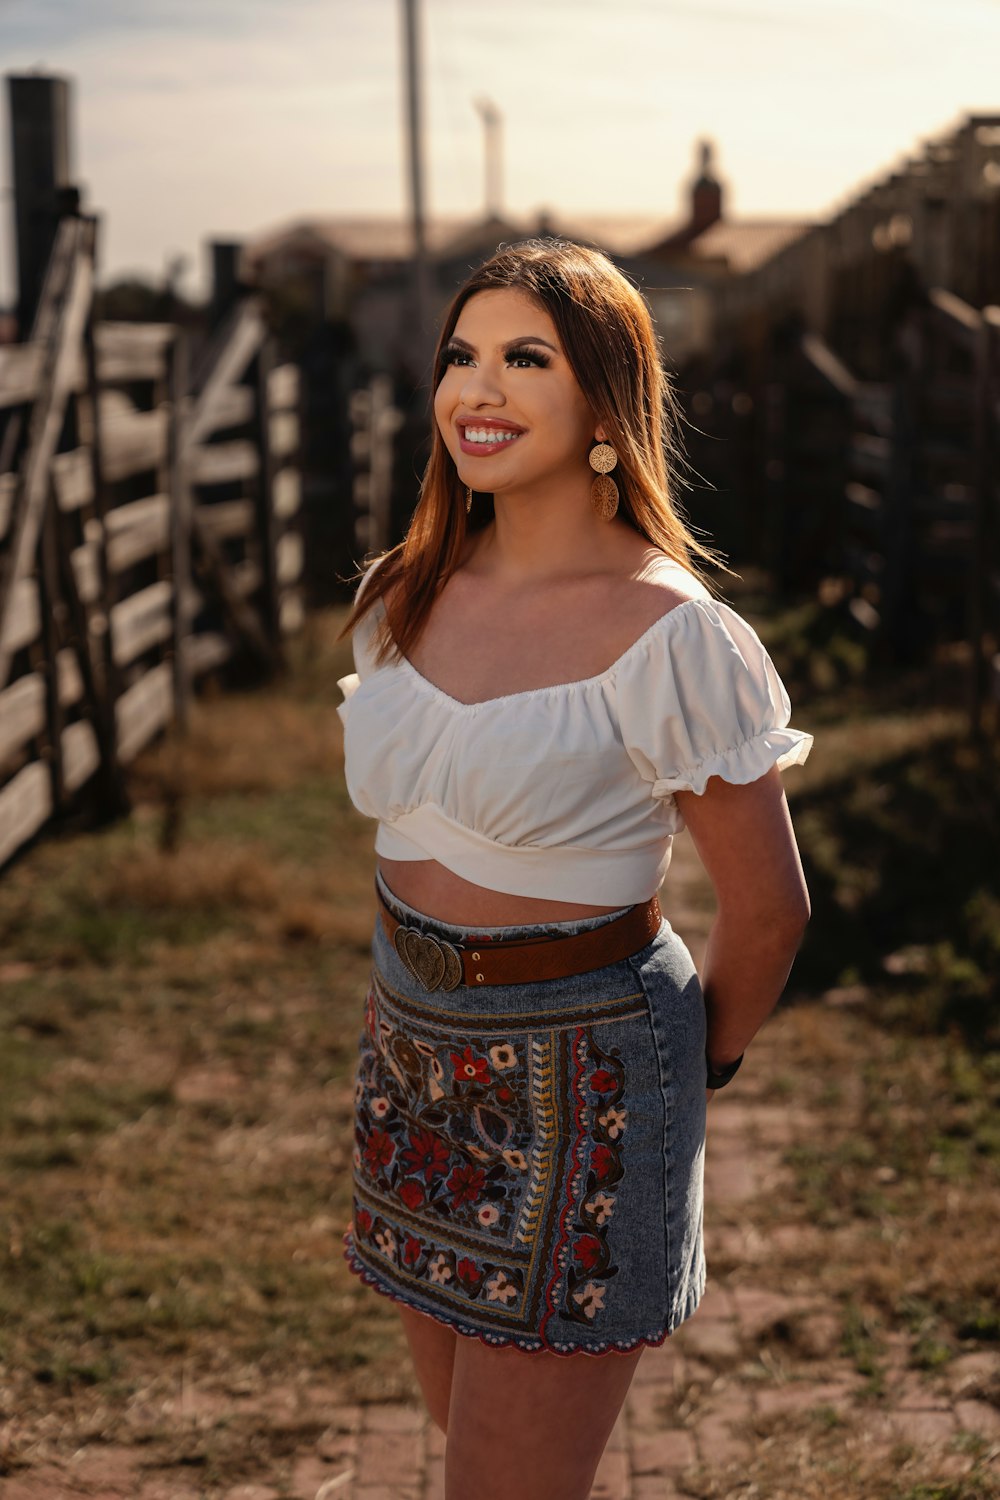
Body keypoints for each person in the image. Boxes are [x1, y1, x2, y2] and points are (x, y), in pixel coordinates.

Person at [335, 239, 813, 1500]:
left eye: (524, 360)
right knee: (465, 1446)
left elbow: (766, 909)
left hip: (583, 1074)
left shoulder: (676, 635)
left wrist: (688, 1080)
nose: (476, 390)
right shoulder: (408, 587)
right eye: (462, 357)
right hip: (411, 1047)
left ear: (605, 404)